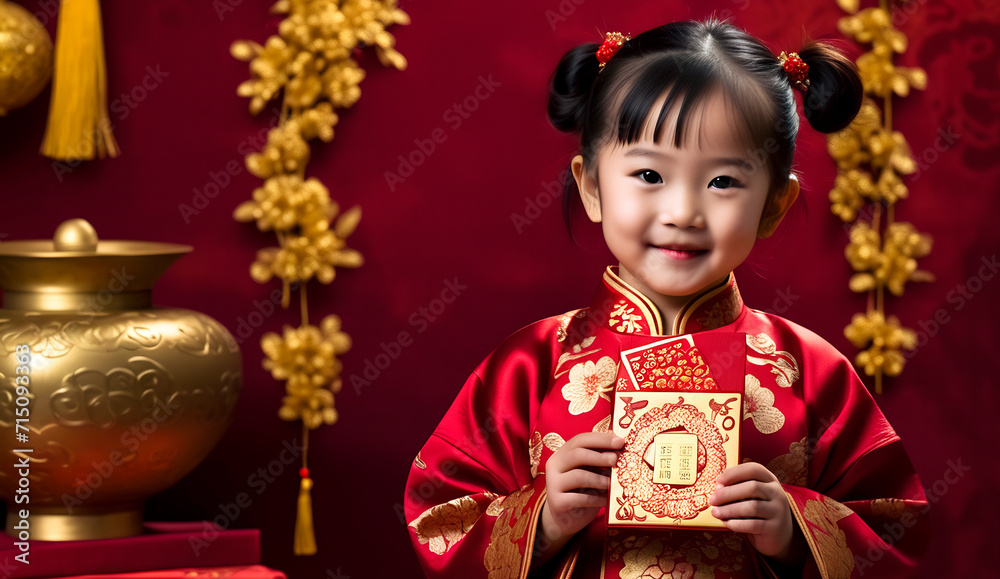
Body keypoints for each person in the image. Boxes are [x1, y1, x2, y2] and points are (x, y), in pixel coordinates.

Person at [404, 19, 927, 578]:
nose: (682, 212)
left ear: (773, 205)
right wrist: (544, 518)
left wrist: (795, 528)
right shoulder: (532, 363)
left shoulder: (809, 369)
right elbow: (440, 517)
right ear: (592, 186)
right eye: (650, 173)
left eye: (722, 182)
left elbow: (896, 523)